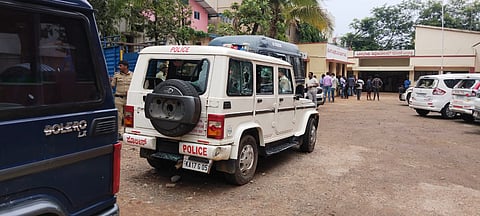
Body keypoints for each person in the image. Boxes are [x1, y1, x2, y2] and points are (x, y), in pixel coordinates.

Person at [111, 60, 133, 139]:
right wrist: (110, 80)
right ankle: (119, 133)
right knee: (119, 116)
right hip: (118, 98)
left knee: (128, 116)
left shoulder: (133, 75)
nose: (119, 67)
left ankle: (126, 132)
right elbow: (112, 85)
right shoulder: (116, 75)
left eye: (120, 66)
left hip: (128, 99)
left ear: (125, 66)